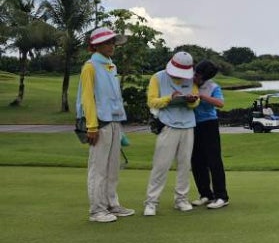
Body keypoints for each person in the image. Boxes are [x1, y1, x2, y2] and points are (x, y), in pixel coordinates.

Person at [76, 27, 134, 223]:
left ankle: (111, 204)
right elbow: (87, 99)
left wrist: (120, 128)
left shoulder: (111, 66)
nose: (112, 46)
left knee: (112, 168)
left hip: (114, 122)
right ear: (97, 45)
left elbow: (114, 99)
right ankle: (96, 210)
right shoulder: (90, 67)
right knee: (98, 169)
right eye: (108, 43)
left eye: (112, 42)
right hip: (99, 124)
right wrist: (91, 126)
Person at [143, 51, 200, 216]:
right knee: (161, 165)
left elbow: (195, 102)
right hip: (168, 125)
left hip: (188, 125)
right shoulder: (158, 77)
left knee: (184, 165)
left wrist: (191, 101)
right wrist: (169, 98)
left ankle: (181, 199)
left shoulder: (191, 79)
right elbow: (152, 101)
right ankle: (151, 202)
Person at [190, 59, 229, 209]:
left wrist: (202, 97)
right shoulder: (190, 82)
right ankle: (205, 194)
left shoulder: (213, 86)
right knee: (197, 161)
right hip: (193, 125)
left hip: (209, 124)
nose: (196, 77)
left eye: (199, 76)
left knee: (214, 161)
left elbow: (220, 103)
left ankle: (222, 197)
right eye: (196, 73)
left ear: (206, 77)